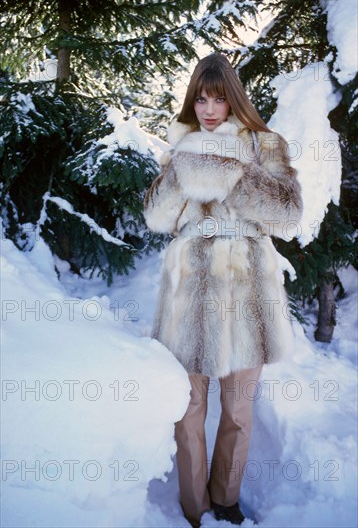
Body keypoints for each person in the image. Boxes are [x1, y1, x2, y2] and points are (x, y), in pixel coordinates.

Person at [143, 53, 302, 527]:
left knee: (237, 409)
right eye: (201, 98)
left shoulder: (264, 145)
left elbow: (288, 216)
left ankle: (226, 501)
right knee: (188, 410)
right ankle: (195, 509)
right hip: (188, 292)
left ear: (234, 100)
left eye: (219, 99)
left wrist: (232, 170)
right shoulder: (179, 147)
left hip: (247, 291)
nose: (210, 109)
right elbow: (155, 217)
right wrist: (186, 167)